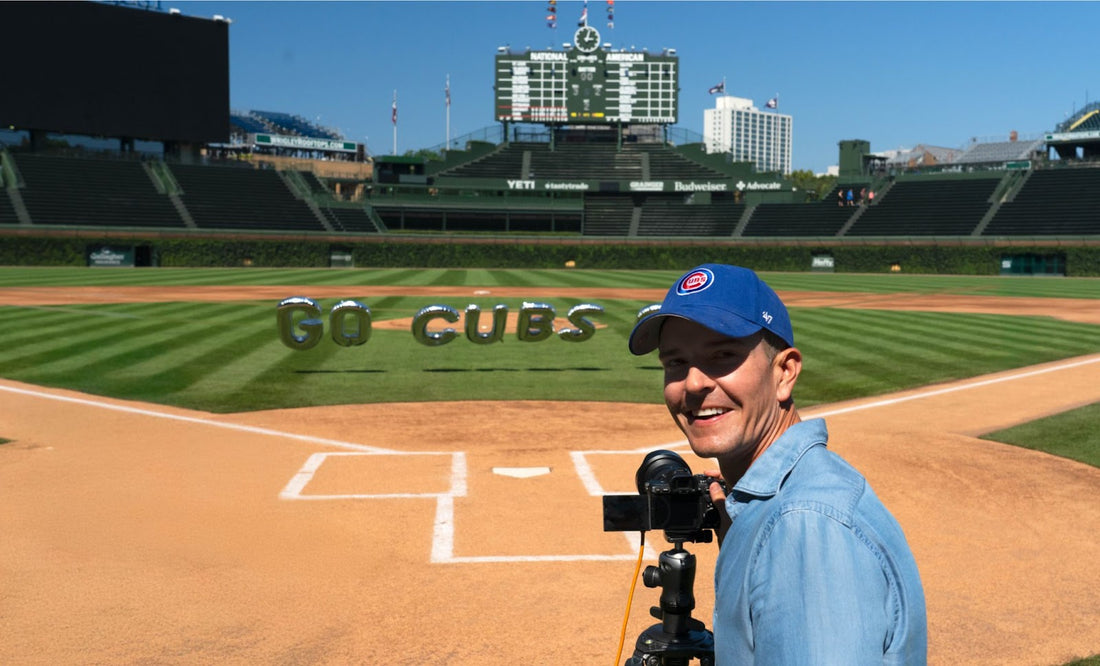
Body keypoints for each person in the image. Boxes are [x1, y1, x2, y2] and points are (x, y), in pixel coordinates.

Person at [628, 263, 927, 665]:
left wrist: (772, 533)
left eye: (722, 355)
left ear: (785, 372)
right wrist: (747, 529)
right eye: (675, 362)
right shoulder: (783, 503)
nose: (694, 383)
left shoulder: (804, 525)